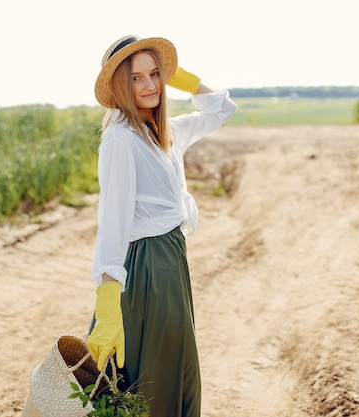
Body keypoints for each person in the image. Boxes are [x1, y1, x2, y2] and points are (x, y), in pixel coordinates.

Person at [86, 35, 236, 417]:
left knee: (175, 362)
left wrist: (182, 78)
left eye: (155, 74)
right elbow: (113, 224)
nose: (150, 85)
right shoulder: (121, 139)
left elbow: (221, 109)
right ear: (120, 84)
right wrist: (107, 305)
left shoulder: (163, 131)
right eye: (136, 78)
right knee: (153, 371)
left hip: (171, 257)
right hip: (147, 265)